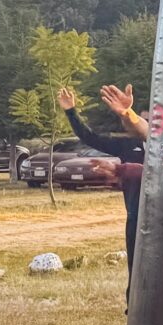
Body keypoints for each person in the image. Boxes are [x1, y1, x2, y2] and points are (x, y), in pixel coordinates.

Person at [57, 81, 147, 299]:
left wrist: (120, 169)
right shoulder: (128, 145)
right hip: (136, 217)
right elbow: (89, 137)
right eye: (144, 118)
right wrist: (70, 112)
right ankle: (132, 311)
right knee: (136, 270)